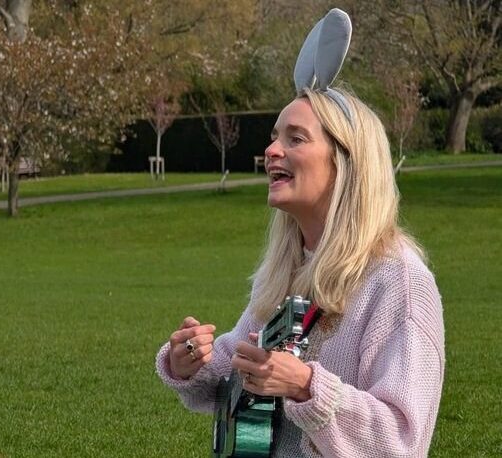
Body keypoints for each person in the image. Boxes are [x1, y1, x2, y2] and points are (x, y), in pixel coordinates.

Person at [156, 9, 444, 458]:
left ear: (346, 162)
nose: (271, 149)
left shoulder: (400, 284)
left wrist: (307, 386)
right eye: (275, 137)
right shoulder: (290, 268)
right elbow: (244, 361)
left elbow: (402, 440)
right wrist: (194, 360)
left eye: (296, 138)